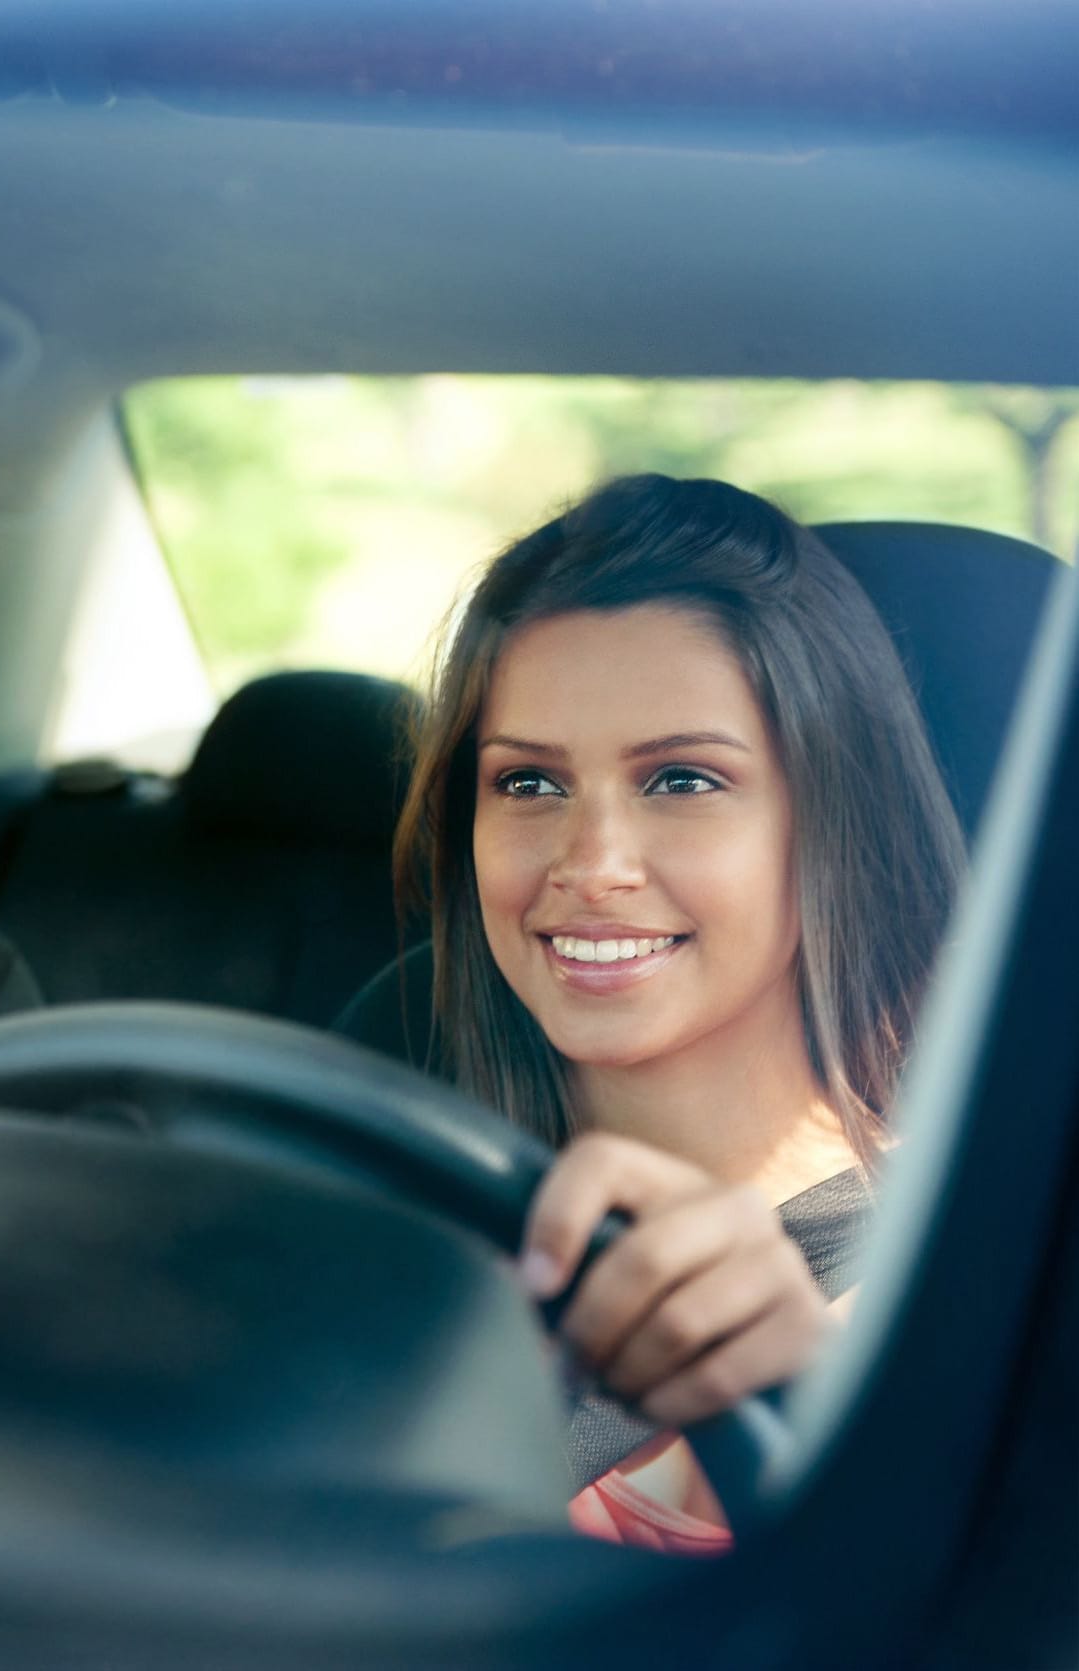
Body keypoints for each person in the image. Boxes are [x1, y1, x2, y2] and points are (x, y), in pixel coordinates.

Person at [393, 474, 965, 1552]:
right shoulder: (379, 1202)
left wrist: (800, 1406)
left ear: (833, 817)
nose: (591, 864)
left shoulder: (979, 1295)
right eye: (527, 784)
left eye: (682, 780)